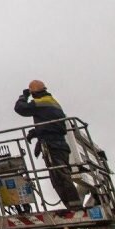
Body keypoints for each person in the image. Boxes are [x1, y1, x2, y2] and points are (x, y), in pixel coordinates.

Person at [14, 80, 81, 210]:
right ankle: (72, 205)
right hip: (59, 143)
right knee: (59, 176)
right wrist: (36, 132)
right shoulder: (52, 102)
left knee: (60, 176)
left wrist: (23, 96)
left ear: (34, 93)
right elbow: (51, 124)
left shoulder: (41, 102)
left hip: (53, 144)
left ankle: (74, 206)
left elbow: (20, 108)